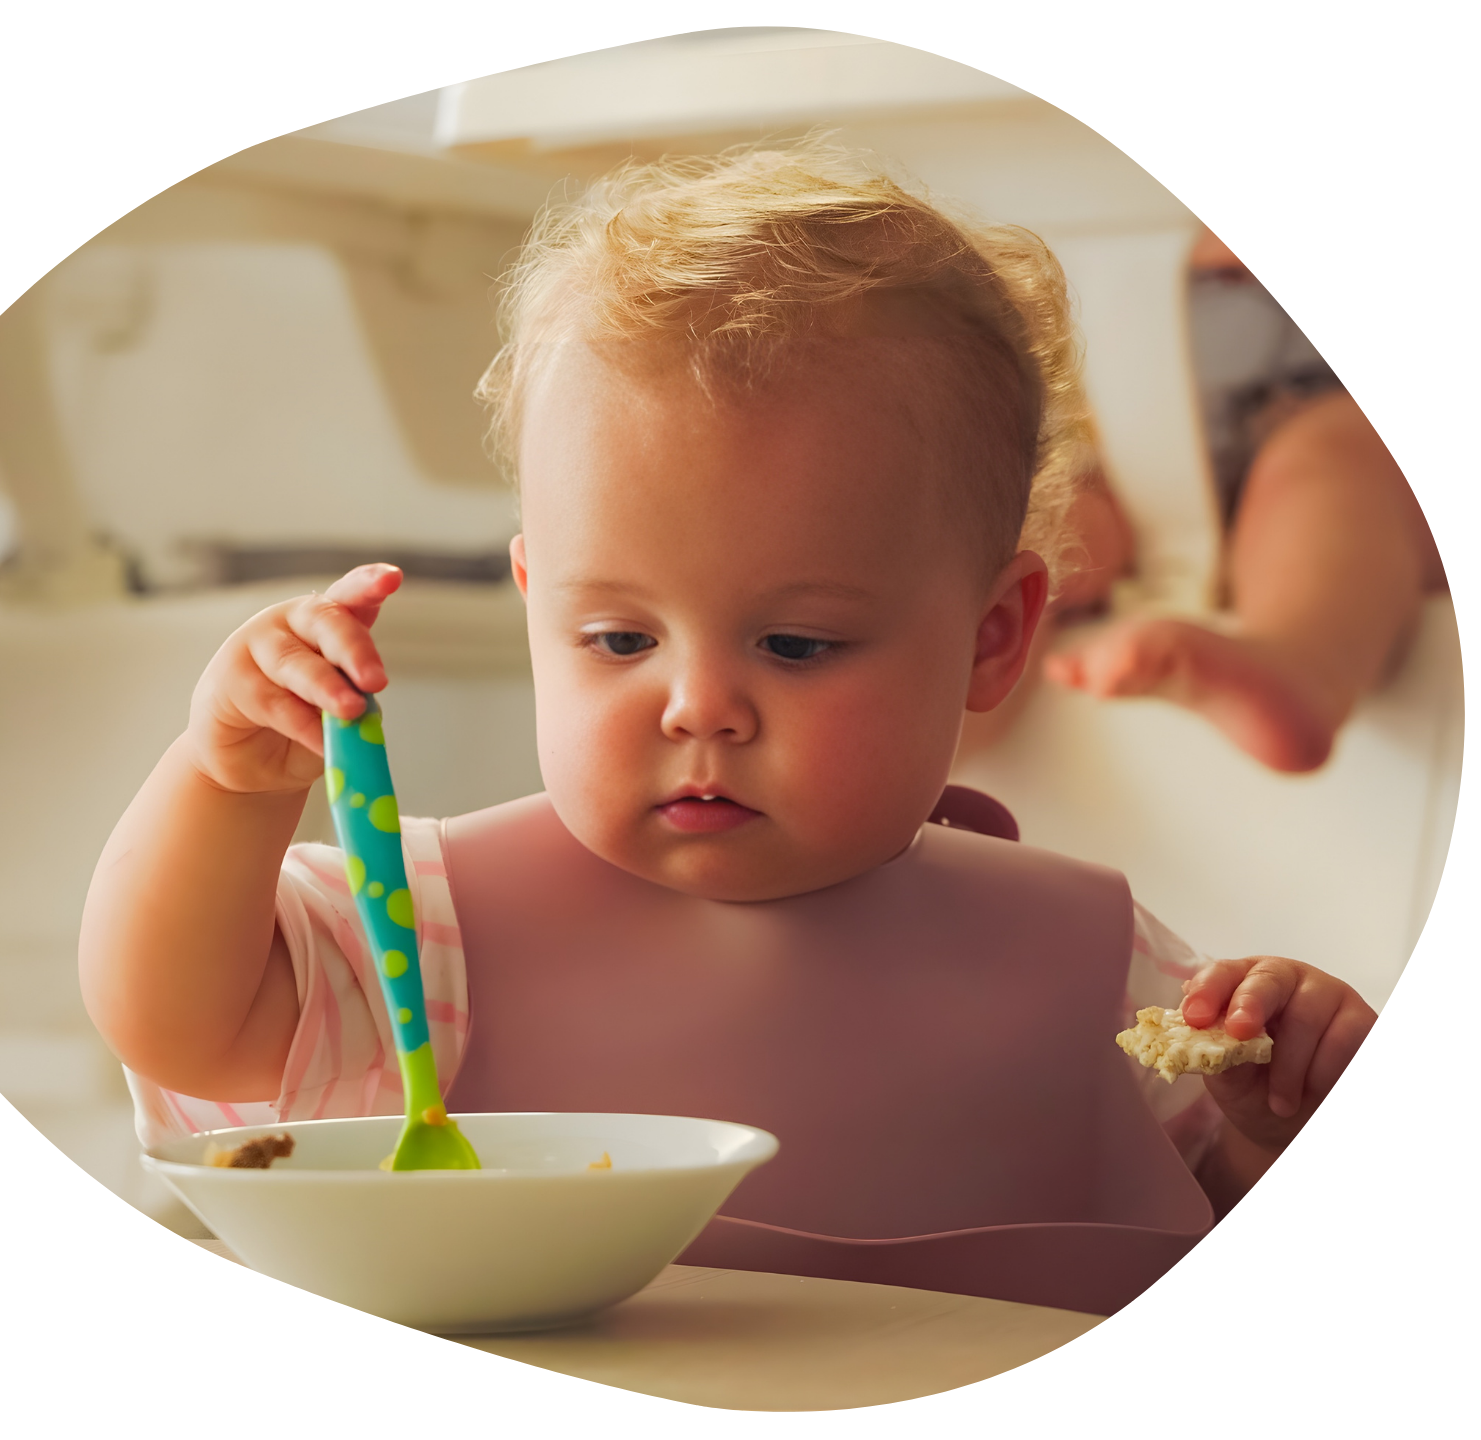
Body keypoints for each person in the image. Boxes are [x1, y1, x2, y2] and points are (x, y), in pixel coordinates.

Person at [79, 143, 1374, 1314]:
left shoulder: (1104, 969)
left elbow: (1185, 1211)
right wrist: (229, 782)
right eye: (618, 641)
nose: (694, 705)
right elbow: (178, 1019)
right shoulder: (429, 933)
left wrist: (1266, 1122)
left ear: (993, 637)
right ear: (539, 607)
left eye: (797, 644)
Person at [1042, 230, 1445, 773]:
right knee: (1325, 482)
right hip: (1306, 447)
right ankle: (1299, 667)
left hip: (1208, 306)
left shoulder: (1005, 335)